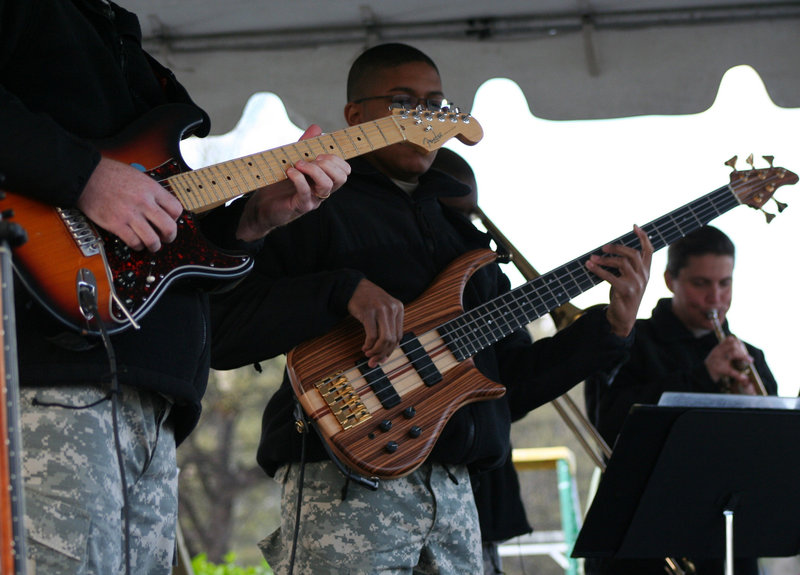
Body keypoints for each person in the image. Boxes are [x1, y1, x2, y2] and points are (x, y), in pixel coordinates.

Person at [210, 42, 653, 574]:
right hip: (347, 480)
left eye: (436, 103)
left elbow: (507, 383)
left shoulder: (464, 241)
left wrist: (612, 327)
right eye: (403, 101)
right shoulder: (311, 204)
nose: (426, 117)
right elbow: (226, 329)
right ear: (356, 116)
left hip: (456, 492)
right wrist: (342, 288)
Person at [0, 2, 349, 574]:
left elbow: (170, 232)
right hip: (47, 368)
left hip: (151, 392)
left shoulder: (137, 58)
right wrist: (84, 176)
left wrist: (256, 217)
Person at [583, 224, 778, 575]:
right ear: (671, 280)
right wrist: (701, 378)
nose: (716, 298)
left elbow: (770, 461)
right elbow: (606, 426)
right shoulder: (628, 342)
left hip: (728, 542)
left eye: (725, 283)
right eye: (701, 284)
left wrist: (755, 408)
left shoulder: (751, 357)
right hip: (642, 543)